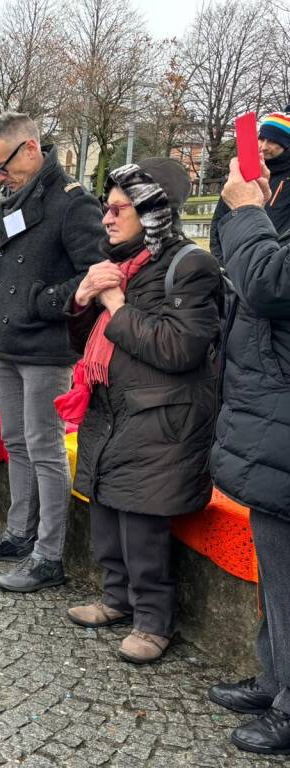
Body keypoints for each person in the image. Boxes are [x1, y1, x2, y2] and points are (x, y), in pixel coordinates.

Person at [61, 158, 222, 664]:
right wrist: (81, 302)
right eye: (105, 209)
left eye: (117, 209)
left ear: (151, 211)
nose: (106, 218)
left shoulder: (189, 265)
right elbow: (84, 342)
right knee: (107, 514)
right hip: (112, 412)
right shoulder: (116, 265)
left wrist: (112, 302)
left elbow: (179, 348)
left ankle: (154, 621)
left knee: (142, 524)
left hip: (163, 419)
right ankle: (116, 599)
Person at [0, 111, 103, 592]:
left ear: (30, 149)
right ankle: (18, 534)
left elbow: (96, 273)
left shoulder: (72, 202)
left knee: (44, 448)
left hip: (46, 343)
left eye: (2, 166)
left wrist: (42, 301)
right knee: (17, 442)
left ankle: (49, 556)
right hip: (9, 340)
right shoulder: (10, 201)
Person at [206, 155, 290, 755]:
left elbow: (268, 282)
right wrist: (247, 209)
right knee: (276, 571)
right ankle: (275, 680)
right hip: (272, 425)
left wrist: (250, 212)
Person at [210, 110, 290, 261]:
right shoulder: (244, 173)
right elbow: (220, 218)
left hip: (270, 268)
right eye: (262, 139)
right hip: (232, 265)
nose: (264, 146)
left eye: (273, 141)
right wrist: (220, 260)